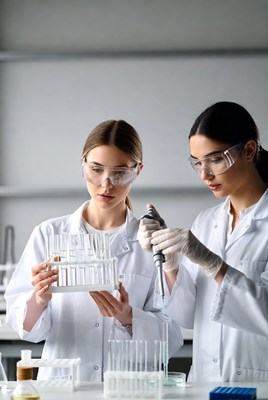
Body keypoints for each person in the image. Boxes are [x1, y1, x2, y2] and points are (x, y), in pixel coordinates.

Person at [5, 119, 182, 382]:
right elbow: (25, 329)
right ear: (83, 165)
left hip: (129, 389)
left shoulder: (153, 243)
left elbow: (172, 337)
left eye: (120, 172)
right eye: (96, 169)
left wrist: (127, 316)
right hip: (63, 387)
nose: (106, 184)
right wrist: (39, 299)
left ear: (138, 170)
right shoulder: (48, 234)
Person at [138, 101, 268, 383]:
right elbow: (189, 318)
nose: (204, 174)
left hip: (258, 382)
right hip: (205, 383)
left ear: (248, 150)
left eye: (215, 160)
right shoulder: (206, 222)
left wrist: (214, 265)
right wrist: (171, 265)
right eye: (197, 162)